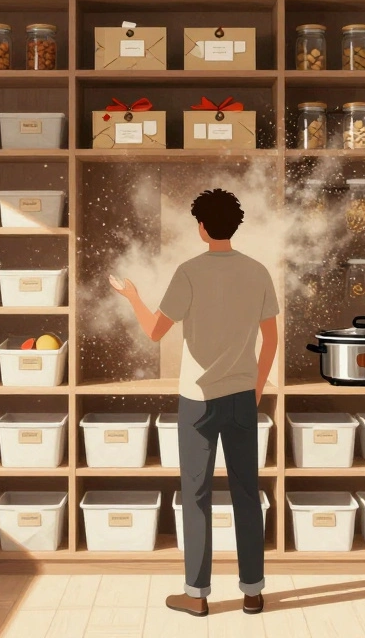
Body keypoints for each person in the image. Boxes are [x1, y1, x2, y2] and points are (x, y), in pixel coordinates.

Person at [109, 188, 279, 617]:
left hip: (198, 401)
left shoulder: (188, 272)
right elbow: (271, 339)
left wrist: (132, 296)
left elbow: (154, 332)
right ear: (233, 225)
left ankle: (197, 595)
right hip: (242, 397)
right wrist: (256, 390)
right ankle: (253, 591)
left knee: (196, 495)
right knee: (246, 493)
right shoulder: (257, 272)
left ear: (202, 228)